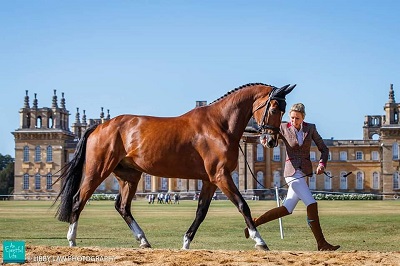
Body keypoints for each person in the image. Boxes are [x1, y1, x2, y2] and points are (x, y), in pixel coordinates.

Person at [244, 103, 340, 251]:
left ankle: (254, 223)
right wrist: (262, 141)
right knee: (311, 203)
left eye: (297, 118)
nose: (294, 120)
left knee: (287, 209)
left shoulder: (311, 128)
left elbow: (324, 149)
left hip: (304, 172)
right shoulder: (283, 127)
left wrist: (322, 164)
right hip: (291, 173)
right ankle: (321, 244)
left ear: (303, 118)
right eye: (292, 117)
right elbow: (269, 138)